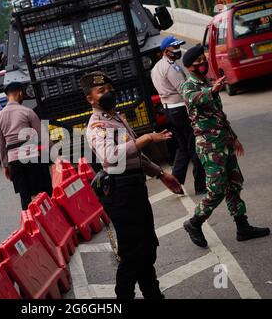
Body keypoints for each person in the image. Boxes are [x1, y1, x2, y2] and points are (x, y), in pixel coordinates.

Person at [83, 71, 182, 299]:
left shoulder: (116, 117)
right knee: (132, 252)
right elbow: (110, 156)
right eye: (101, 91)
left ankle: (153, 294)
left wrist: (160, 173)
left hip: (135, 187)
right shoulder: (97, 126)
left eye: (109, 88)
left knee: (147, 247)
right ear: (90, 99)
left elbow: (134, 155)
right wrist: (145, 139)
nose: (108, 93)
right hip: (121, 192)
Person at [181, 45, 270, 248]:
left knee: (234, 183)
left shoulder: (205, 82)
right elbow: (195, 99)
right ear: (190, 66)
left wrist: (233, 137)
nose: (203, 63)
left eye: (204, 60)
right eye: (199, 62)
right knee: (217, 189)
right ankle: (194, 222)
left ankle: (242, 226)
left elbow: (219, 116)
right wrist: (212, 90)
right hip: (210, 146)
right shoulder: (189, 86)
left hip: (224, 142)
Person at [152, 36, 206, 195]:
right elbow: (184, 90)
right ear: (165, 51)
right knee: (194, 146)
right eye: (174, 48)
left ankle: (175, 181)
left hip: (169, 110)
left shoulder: (156, 67)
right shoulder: (171, 68)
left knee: (183, 147)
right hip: (180, 110)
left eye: (178, 47)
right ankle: (201, 186)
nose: (177, 50)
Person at [0, 82, 53, 210]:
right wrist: (55, 156)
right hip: (32, 157)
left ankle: (31, 226)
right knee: (45, 192)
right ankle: (53, 223)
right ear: (20, 93)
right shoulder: (27, 112)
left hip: (14, 161)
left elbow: (1, 145)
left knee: (24, 196)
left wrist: (5, 165)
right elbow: (44, 137)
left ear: (7, 96)